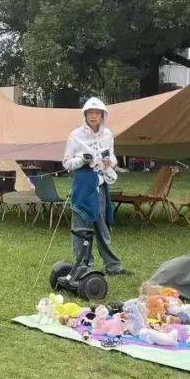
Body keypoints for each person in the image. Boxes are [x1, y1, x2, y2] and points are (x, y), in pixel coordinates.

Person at [63, 97, 127, 276]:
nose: (93, 116)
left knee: (102, 227)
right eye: (90, 112)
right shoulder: (75, 135)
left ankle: (113, 266)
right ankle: (84, 266)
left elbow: (113, 158)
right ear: (85, 115)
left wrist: (109, 161)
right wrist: (82, 159)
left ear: (102, 115)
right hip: (83, 186)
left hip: (101, 184)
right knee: (81, 227)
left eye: (97, 113)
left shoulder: (107, 135)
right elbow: (67, 163)